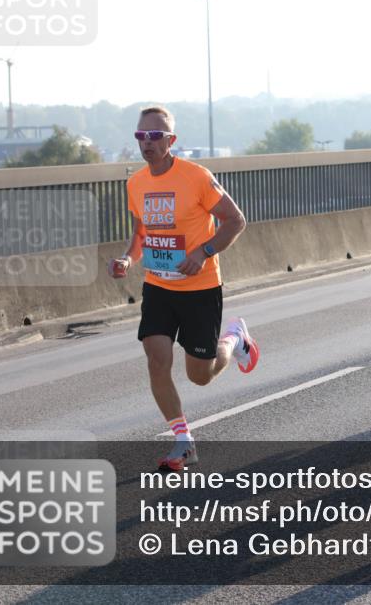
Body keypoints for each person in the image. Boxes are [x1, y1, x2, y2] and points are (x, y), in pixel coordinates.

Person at [110, 106, 259, 471]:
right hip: (159, 285)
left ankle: (235, 340)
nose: (147, 142)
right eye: (141, 136)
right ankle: (184, 441)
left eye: (155, 136)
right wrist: (129, 259)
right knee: (156, 359)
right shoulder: (136, 183)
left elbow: (235, 220)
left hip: (200, 288)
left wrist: (203, 251)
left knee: (200, 375)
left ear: (171, 140)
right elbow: (141, 232)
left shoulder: (196, 177)